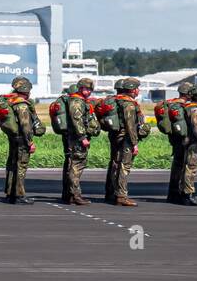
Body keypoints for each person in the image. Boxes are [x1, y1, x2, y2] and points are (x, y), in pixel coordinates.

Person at [104, 77, 146, 208]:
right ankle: (121, 196)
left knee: (116, 164)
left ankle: (113, 193)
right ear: (132, 90)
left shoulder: (117, 101)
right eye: (137, 88)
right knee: (124, 167)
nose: (138, 90)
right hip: (126, 139)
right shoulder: (128, 104)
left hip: (115, 136)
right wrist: (134, 143)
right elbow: (130, 126)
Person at [1, 76, 43, 204]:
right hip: (22, 140)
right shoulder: (22, 105)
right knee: (21, 166)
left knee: (12, 165)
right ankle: (19, 195)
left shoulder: (11, 101)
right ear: (26, 90)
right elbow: (25, 125)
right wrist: (30, 142)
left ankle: (10, 193)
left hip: (14, 138)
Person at [61, 77, 100, 205]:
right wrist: (82, 137)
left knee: (74, 166)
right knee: (76, 166)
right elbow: (77, 120)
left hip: (76, 138)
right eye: (86, 89)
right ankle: (75, 195)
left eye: (90, 89)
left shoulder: (79, 101)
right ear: (80, 88)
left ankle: (71, 195)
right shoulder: (77, 102)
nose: (89, 91)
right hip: (77, 139)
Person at [166, 79, 196, 204]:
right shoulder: (184, 107)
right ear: (188, 94)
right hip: (184, 140)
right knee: (185, 167)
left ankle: (172, 194)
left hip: (175, 139)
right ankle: (183, 194)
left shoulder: (171, 104)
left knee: (177, 166)